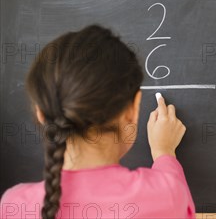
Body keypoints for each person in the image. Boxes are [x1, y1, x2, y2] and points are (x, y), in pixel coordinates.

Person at [0, 25, 195, 218]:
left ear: (42, 115)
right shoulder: (166, 197)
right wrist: (164, 153)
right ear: (133, 110)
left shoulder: (13, 206)